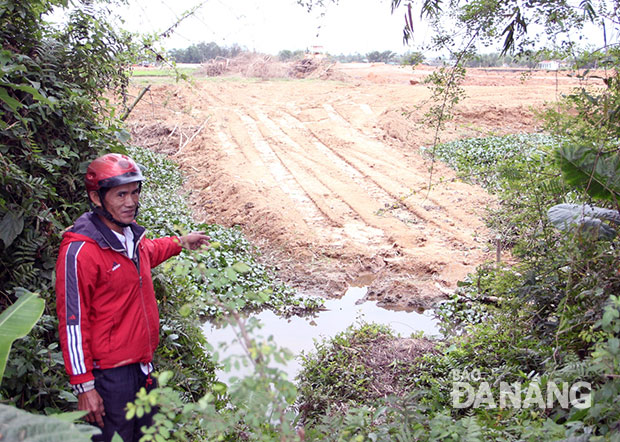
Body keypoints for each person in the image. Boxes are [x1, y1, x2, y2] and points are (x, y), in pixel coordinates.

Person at [55, 153, 209, 442]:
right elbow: (72, 322)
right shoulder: (80, 251)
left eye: (135, 192)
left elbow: (148, 252)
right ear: (97, 198)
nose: (130, 202)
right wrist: (84, 386)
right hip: (109, 379)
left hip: (143, 367)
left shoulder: (129, 238)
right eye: (121, 194)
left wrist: (179, 243)